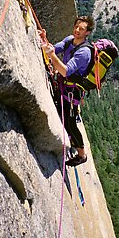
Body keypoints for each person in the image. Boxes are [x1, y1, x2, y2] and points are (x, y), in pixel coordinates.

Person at [40, 15, 95, 167]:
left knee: (70, 123)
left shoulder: (84, 52)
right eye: (76, 26)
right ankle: (71, 140)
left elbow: (65, 71)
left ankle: (82, 154)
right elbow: (55, 48)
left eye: (82, 29)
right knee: (60, 112)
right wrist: (45, 41)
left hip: (71, 92)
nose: (77, 30)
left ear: (88, 33)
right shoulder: (70, 40)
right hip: (63, 86)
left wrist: (51, 55)